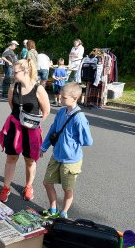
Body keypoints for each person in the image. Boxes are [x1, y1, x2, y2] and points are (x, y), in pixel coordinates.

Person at [0, 59, 50, 202]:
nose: (13, 74)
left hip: (31, 131)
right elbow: (12, 106)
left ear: (26, 71)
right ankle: (6, 187)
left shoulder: (38, 89)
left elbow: (46, 112)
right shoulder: (13, 88)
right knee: (11, 158)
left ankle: (28, 186)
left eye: (16, 72)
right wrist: (20, 121)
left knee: (30, 161)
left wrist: (33, 124)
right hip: (14, 128)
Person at [39, 82, 93, 218]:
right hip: (57, 155)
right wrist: (44, 147)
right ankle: (53, 209)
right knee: (47, 182)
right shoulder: (61, 111)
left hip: (71, 160)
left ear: (75, 98)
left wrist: (72, 141)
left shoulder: (79, 118)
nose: (60, 99)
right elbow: (53, 130)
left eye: (64, 98)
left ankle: (63, 213)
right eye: (61, 97)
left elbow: (87, 141)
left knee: (67, 189)